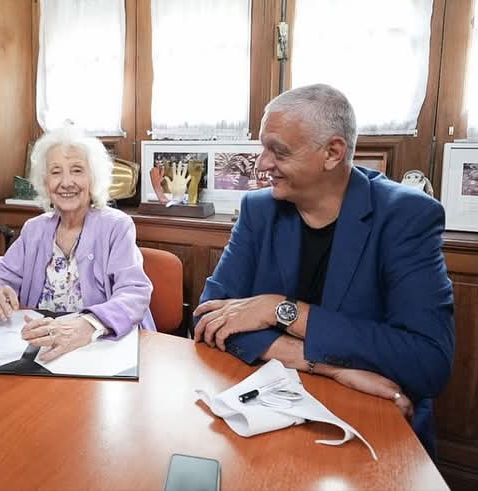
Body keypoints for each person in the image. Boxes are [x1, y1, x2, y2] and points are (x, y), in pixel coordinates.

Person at [192, 84, 454, 455]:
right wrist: (328, 367)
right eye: (263, 147)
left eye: (278, 151)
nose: (262, 164)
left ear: (333, 152)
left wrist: (279, 309)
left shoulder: (406, 216)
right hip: (269, 414)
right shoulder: (258, 210)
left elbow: (427, 363)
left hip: (374, 425)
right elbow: (207, 320)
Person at [0, 125, 156, 363]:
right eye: (56, 172)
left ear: (93, 178)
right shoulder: (34, 229)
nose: (66, 182)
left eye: (77, 170)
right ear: (45, 182)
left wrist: (88, 325)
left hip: (100, 349)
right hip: (42, 350)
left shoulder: (116, 226)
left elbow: (134, 293)